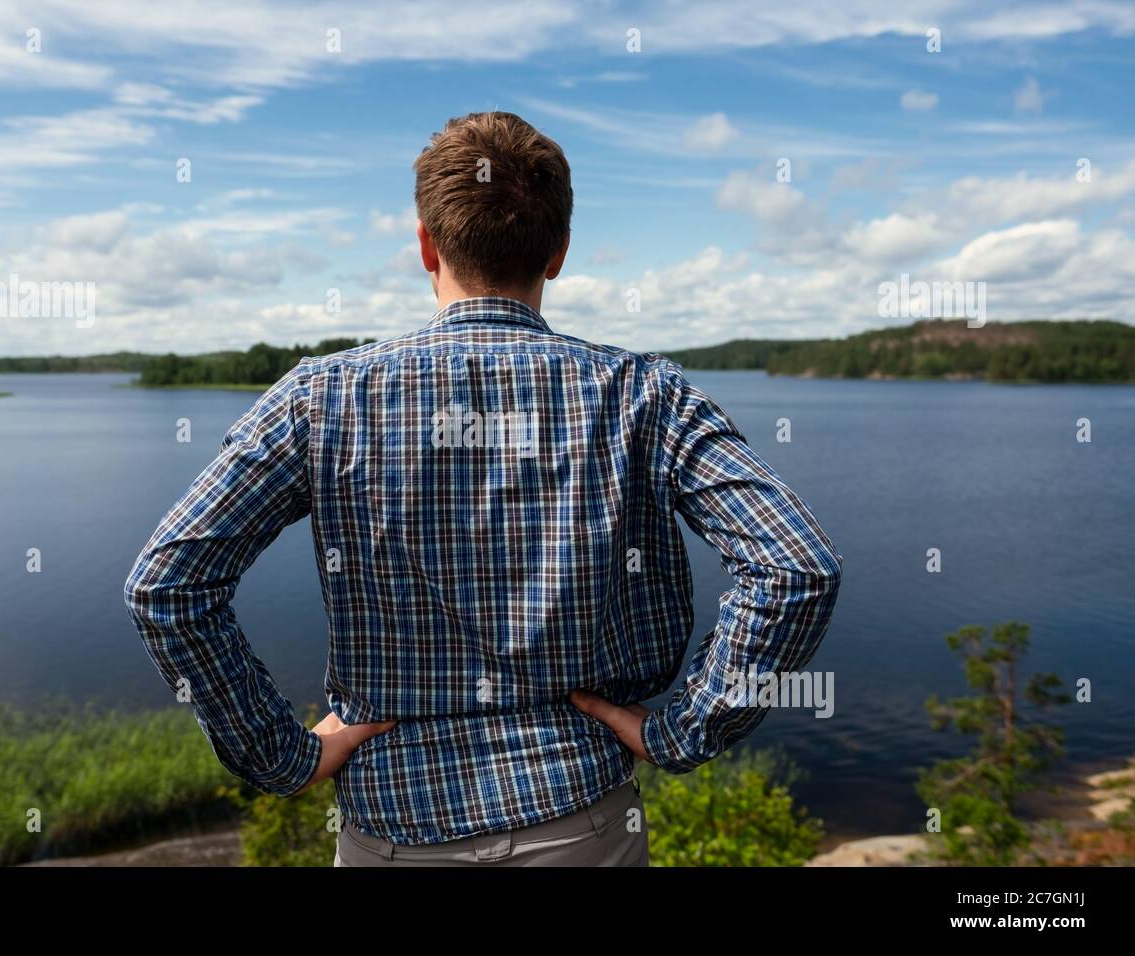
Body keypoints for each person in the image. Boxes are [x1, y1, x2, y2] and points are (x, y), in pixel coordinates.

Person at [125, 111, 842, 867]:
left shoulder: (322, 397)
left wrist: (283, 757)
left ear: (426, 246)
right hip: (581, 818)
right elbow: (796, 568)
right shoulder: (644, 394)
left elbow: (167, 586)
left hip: (391, 829)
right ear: (558, 252)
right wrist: (682, 731)